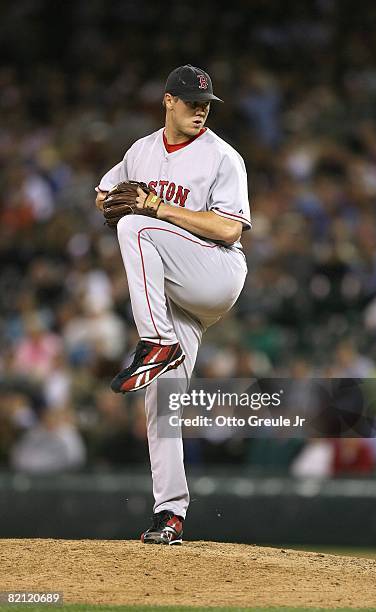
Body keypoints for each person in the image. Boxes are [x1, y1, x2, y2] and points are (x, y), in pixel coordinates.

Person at [95, 64, 251, 544]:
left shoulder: (222, 157)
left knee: (135, 226)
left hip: (217, 272)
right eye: (190, 101)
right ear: (168, 101)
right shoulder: (141, 151)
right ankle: (170, 514)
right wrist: (111, 203)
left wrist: (154, 207)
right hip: (176, 292)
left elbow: (229, 228)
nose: (200, 109)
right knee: (161, 401)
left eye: (206, 103)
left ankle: (156, 339)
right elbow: (103, 193)